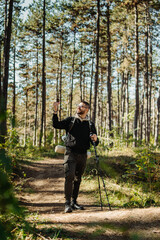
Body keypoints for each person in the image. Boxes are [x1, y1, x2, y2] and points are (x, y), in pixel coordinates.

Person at [52, 100, 99, 213]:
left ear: (86, 109)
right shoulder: (70, 120)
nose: (79, 108)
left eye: (81, 106)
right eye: (78, 106)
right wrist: (55, 112)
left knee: (78, 178)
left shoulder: (90, 124)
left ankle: (74, 202)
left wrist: (96, 139)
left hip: (83, 154)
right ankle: (67, 203)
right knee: (70, 176)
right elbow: (56, 124)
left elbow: (95, 142)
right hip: (70, 153)